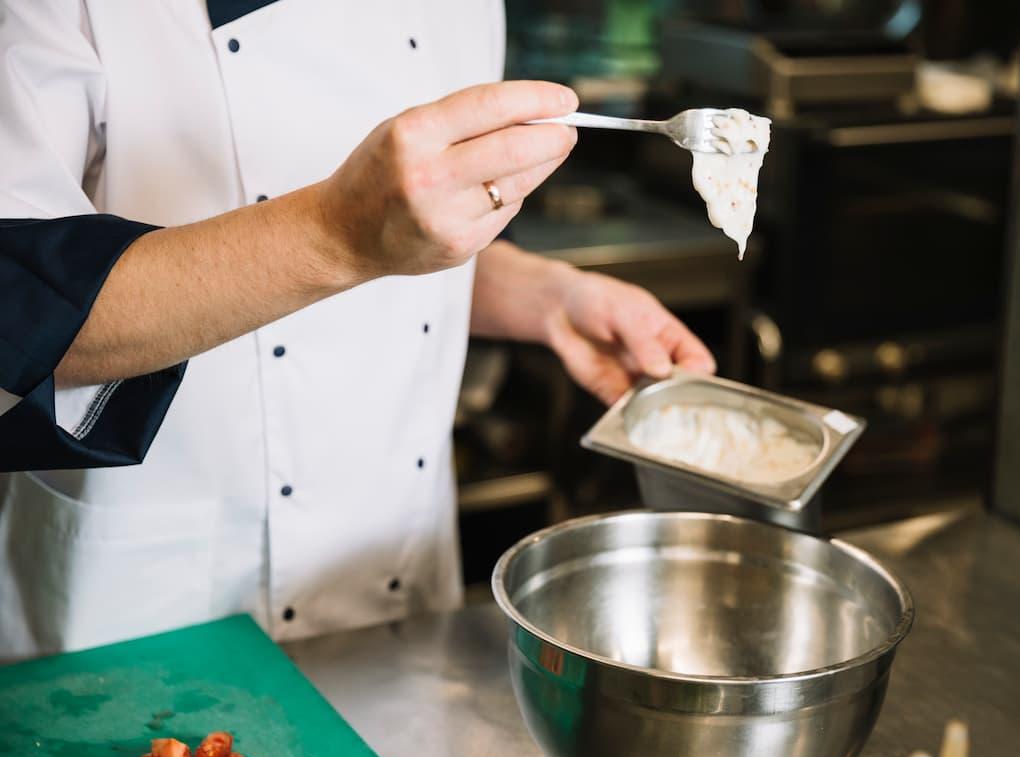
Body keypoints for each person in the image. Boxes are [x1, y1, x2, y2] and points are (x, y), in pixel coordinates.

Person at [0, 0, 715, 659]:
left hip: (394, 571)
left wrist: (546, 298)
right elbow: (22, 305)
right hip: (151, 603)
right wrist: (335, 235)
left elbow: (404, 229)